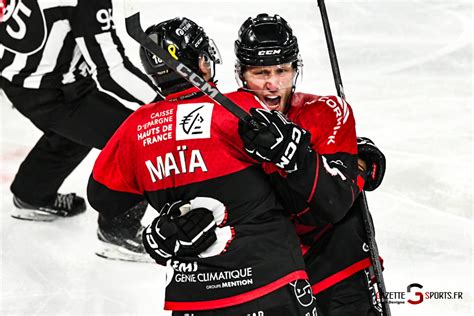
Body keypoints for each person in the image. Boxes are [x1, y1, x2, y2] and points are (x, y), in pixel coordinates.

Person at [87, 17, 320, 315]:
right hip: (271, 282)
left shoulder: (137, 128)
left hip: (194, 297)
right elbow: (305, 192)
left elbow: (103, 197)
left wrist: (166, 175)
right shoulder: (242, 108)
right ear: (203, 62)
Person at [234, 14, 387, 315]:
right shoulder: (227, 123)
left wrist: (298, 158)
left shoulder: (326, 111)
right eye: (260, 71)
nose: (272, 84)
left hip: (338, 271)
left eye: (282, 70)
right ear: (241, 73)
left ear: (296, 69)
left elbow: (333, 204)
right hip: (267, 280)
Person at [0, 0, 159, 260]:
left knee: (74, 132)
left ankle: (32, 194)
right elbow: (112, 71)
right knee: (140, 139)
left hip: (21, 80)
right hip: (54, 92)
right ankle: (119, 232)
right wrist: (164, 101)